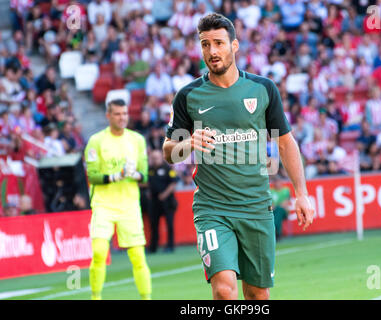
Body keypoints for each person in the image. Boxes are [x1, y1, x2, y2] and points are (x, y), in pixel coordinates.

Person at [162, 13, 314, 300]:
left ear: (234, 45)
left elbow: (285, 143)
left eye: (218, 43)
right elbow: (169, 152)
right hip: (212, 209)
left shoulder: (263, 89)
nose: (212, 51)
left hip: (256, 208)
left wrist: (302, 193)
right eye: (205, 44)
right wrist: (189, 143)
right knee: (224, 288)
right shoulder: (188, 96)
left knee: (257, 294)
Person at [84, 99, 151, 300]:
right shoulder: (96, 141)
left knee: (138, 257)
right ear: (108, 116)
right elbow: (93, 175)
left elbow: (145, 175)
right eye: (117, 114)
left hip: (129, 205)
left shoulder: (137, 140)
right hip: (103, 205)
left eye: (124, 113)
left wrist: (135, 174)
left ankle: (146, 298)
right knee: (99, 252)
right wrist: (115, 176)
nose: (122, 118)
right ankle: (96, 297)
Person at [147, 149, 178, 253]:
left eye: (157, 158)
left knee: (169, 224)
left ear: (161, 158)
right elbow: (147, 183)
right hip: (154, 202)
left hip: (167, 202)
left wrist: (164, 194)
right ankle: (153, 247)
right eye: (153, 158)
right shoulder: (150, 170)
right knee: (153, 225)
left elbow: (173, 183)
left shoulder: (168, 169)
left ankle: (170, 246)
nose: (155, 160)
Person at [270, 175, 291, 241]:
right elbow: (270, 205)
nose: (277, 184)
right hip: (273, 211)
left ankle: (276, 231)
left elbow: (285, 203)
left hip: (284, 212)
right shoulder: (271, 191)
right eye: (275, 182)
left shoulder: (286, 190)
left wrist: (275, 206)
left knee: (279, 209)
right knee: (275, 211)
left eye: (278, 182)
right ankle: (278, 233)